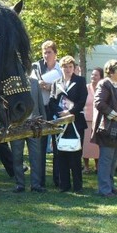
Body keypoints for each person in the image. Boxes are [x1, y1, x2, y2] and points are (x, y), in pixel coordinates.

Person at [49, 55, 87, 193]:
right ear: (61, 68)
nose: (68, 69)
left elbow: (82, 100)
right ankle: (64, 185)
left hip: (76, 122)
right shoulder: (56, 82)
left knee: (75, 154)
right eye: (65, 67)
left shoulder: (80, 81)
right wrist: (61, 112)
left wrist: (70, 111)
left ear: (74, 68)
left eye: (70, 67)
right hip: (61, 122)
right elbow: (52, 101)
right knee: (61, 154)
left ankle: (78, 186)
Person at [92, 60, 117, 197]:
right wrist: (115, 116)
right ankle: (104, 189)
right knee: (106, 160)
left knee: (113, 160)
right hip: (107, 129)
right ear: (111, 71)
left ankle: (110, 186)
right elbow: (99, 103)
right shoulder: (104, 84)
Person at [31, 40, 61, 188]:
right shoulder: (36, 67)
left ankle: (58, 179)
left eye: (49, 52)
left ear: (55, 53)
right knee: (40, 146)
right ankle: (39, 180)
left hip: (55, 108)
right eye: (44, 52)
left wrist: (52, 87)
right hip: (41, 109)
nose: (46, 55)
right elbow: (32, 82)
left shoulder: (61, 68)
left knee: (57, 146)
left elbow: (65, 86)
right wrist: (41, 84)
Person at [11, 77, 46, 192]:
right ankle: (20, 184)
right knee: (17, 156)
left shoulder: (34, 82)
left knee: (36, 156)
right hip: (17, 126)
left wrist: (44, 123)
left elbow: (40, 104)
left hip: (34, 126)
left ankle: (35, 185)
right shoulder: (12, 82)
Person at [83, 67, 103, 173]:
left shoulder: (102, 88)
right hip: (86, 119)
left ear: (101, 77)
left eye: (96, 75)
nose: (93, 77)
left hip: (98, 120)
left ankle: (97, 166)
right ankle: (86, 166)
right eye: (92, 75)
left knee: (96, 146)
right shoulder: (86, 88)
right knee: (86, 144)